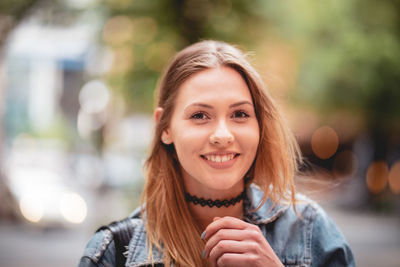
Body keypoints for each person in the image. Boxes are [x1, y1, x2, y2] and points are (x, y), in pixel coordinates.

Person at [78, 40, 355, 267]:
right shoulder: (114, 252)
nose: (223, 135)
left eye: (240, 114)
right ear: (165, 128)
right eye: (200, 115)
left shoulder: (311, 231)